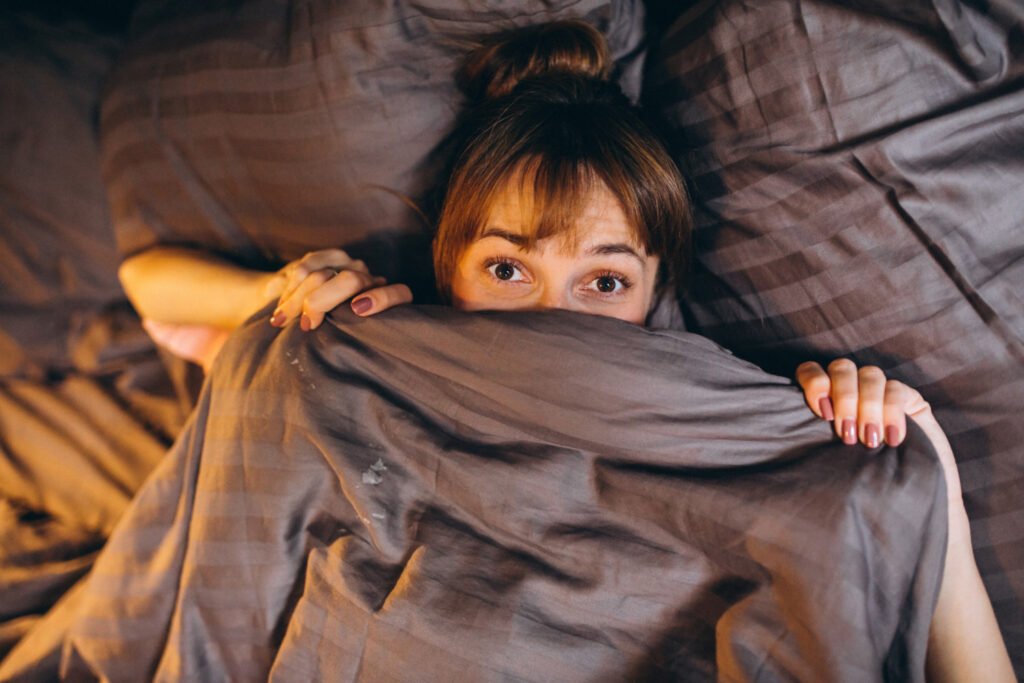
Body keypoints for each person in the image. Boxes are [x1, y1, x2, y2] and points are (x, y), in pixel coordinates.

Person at [121, 20, 1012, 681]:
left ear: (657, 288)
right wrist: (275, 293)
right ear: (449, 265)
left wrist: (920, 479)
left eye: (605, 281)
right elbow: (151, 288)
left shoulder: (737, 428)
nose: (555, 313)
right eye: (508, 266)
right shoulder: (376, 354)